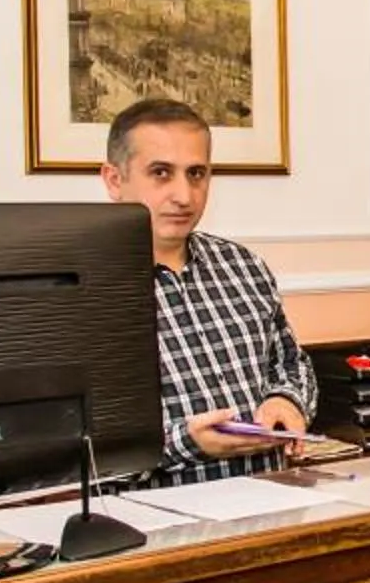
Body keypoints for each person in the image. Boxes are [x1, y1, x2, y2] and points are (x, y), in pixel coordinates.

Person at [100, 96, 322, 484]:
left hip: (270, 504)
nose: (184, 196)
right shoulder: (86, 291)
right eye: (161, 173)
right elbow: (81, 443)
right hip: (158, 527)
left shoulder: (243, 267)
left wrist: (286, 401)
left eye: (197, 174)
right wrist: (185, 443)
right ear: (114, 180)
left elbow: (291, 363)